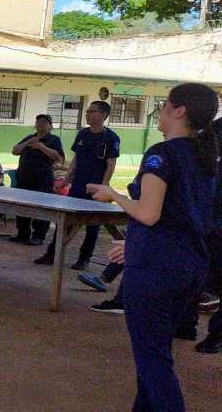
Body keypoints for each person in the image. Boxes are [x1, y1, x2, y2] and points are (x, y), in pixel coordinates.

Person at [87, 83, 218, 412]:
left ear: (179, 111)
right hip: (186, 267)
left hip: (157, 270)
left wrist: (113, 195)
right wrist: (134, 244)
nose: (159, 112)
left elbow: (148, 212)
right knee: (156, 353)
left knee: (154, 361)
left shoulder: (162, 154)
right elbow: (182, 216)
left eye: (163, 106)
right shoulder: (203, 157)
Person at [38, 101, 120, 269]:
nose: (88, 114)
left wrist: (103, 189)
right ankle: (52, 254)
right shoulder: (83, 134)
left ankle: (84, 258)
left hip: (96, 187)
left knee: (92, 225)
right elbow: (75, 160)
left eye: (93, 111)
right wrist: (65, 181)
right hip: (77, 186)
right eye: (88, 111)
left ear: (103, 115)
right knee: (66, 221)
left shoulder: (111, 138)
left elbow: (110, 165)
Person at [9, 114, 64, 248]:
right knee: (22, 207)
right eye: (38, 121)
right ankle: (22, 234)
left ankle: (38, 236)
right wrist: (29, 142)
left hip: (42, 180)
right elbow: (15, 151)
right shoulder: (29, 137)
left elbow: (58, 158)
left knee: (41, 208)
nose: (40, 123)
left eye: (44, 121)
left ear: (50, 125)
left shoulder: (54, 139)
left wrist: (40, 146)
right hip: (24, 179)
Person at [194, 115, 222, 354]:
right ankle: (186, 324)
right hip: (208, 221)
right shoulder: (216, 129)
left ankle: (217, 334)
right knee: (197, 274)